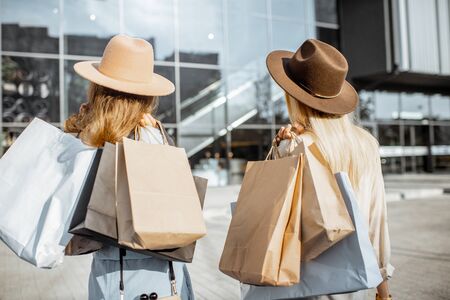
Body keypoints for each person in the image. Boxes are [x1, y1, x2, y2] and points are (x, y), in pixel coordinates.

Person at [64, 34, 195, 300]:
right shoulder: (155, 136)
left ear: (99, 90)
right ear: (145, 96)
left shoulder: (91, 138)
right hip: (166, 269)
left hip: (116, 272)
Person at [269, 39, 393, 300]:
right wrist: (383, 289)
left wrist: (278, 150)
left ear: (294, 97)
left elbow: (272, 217)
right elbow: (376, 220)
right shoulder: (366, 145)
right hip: (356, 282)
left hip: (300, 282)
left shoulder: (294, 145)